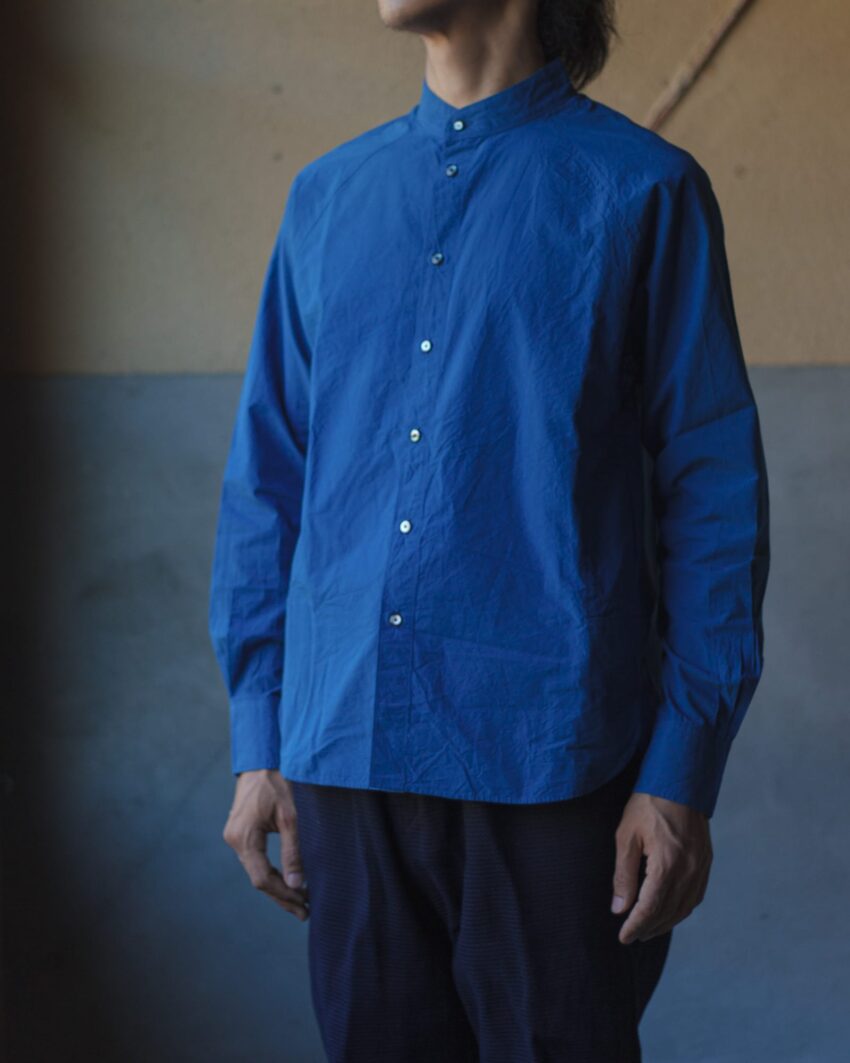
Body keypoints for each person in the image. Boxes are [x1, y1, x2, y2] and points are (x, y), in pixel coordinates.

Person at [208, 1, 771, 1059]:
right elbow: (267, 483)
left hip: (555, 763)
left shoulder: (644, 190)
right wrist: (259, 735)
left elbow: (714, 497)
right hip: (342, 754)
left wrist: (680, 769)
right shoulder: (327, 197)